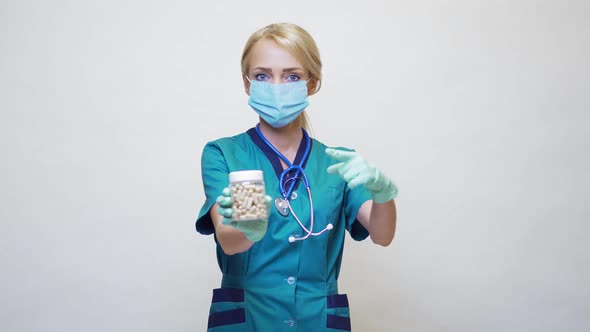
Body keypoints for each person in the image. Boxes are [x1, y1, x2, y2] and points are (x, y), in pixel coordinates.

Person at [195, 22, 398, 331]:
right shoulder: (227, 155)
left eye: (291, 76)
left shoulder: (336, 162)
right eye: (263, 75)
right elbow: (231, 242)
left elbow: (382, 235)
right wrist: (249, 226)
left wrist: (384, 195)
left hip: (317, 320)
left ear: (312, 83)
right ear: (247, 83)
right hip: (249, 319)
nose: (277, 86)